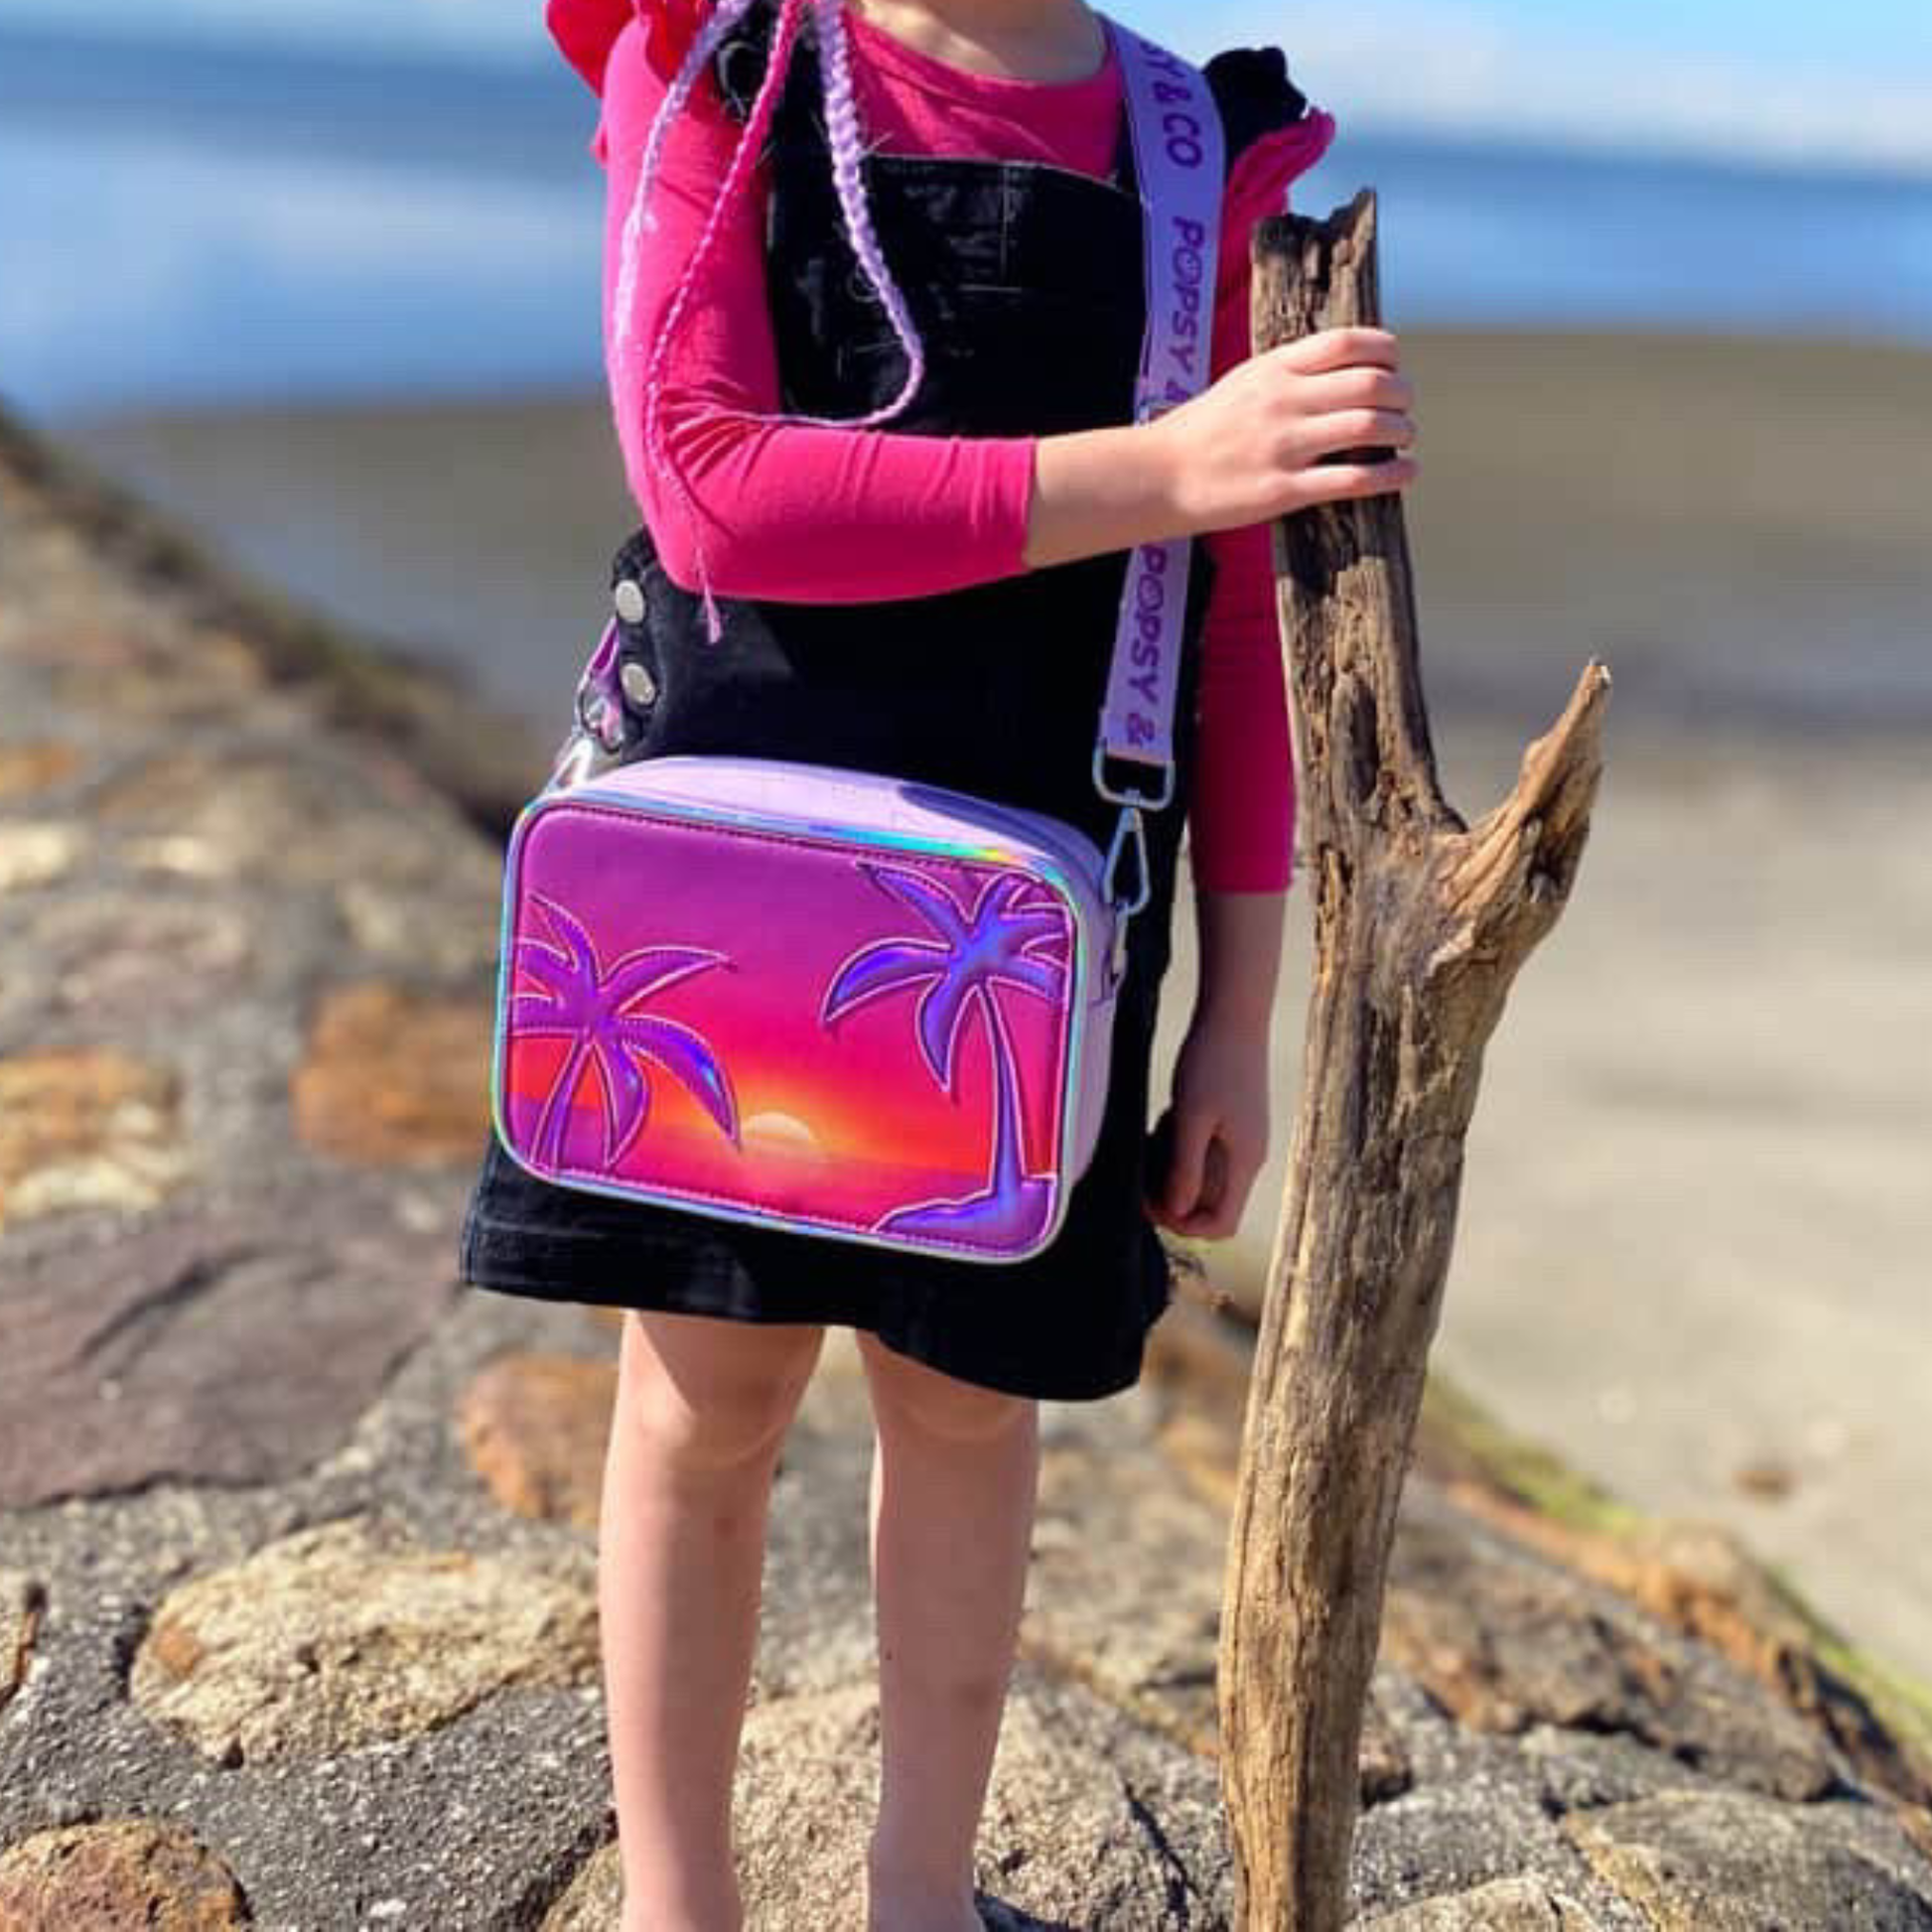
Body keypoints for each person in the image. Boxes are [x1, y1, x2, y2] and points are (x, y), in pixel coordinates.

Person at [459, 0, 1418, 1923]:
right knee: (704, 1400)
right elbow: (712, 486)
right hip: (716, 902)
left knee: (970, 1403)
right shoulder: (721, 69)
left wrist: (1237, 1013)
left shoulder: (1186, 150)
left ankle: (920, 1889)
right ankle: (678, 1897)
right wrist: (1171, 463)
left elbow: (1230, 632)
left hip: (1037, 932)